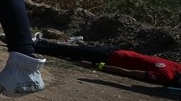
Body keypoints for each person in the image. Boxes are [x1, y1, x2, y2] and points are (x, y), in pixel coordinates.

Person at [29, 37, 181, 88]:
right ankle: (42, 43)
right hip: (117, 52)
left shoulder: (165, 75)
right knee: (73, 50)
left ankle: (34, 45)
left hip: (109, 59)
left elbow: (130, 73)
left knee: (70, 52)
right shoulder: (177, 67)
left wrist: (97, 66)